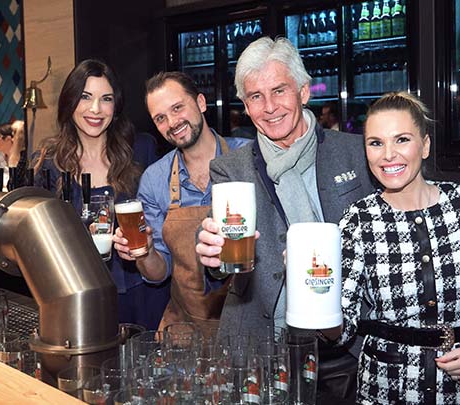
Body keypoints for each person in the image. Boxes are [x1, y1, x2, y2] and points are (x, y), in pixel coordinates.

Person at [196, 37, 374, 403]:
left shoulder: (356, 154)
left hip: (347, 347)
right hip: (263, 347)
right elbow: (224, 249)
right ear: (245, 106)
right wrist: (212, 255)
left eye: (279, 90)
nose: (269, 107)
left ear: (304, 92)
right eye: (255, 97)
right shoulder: (230, 169)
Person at [334, 92, 460, 404]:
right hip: (388, 390)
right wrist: (313, 293)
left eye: (402, 139)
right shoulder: (358, 220)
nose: (388, 155)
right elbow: (341, 329)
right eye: (376, 143)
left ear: (424, 146)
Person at [113, 71, 250, 335]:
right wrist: (145, 252)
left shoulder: (249, 158)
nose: (172, 122)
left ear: (200, 103)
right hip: (186, 332)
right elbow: (158, 273)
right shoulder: (155, 179)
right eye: (160, 118)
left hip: (250, 326)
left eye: (177, 108)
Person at [33, 59, 166, 330]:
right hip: (76, 296)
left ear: (115, 106)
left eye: (106, 99)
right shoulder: (47, 163)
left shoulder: (141, 151)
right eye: (85, 97)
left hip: (140, 294)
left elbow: (163, 223)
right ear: (69, 101)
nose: (95, 109)